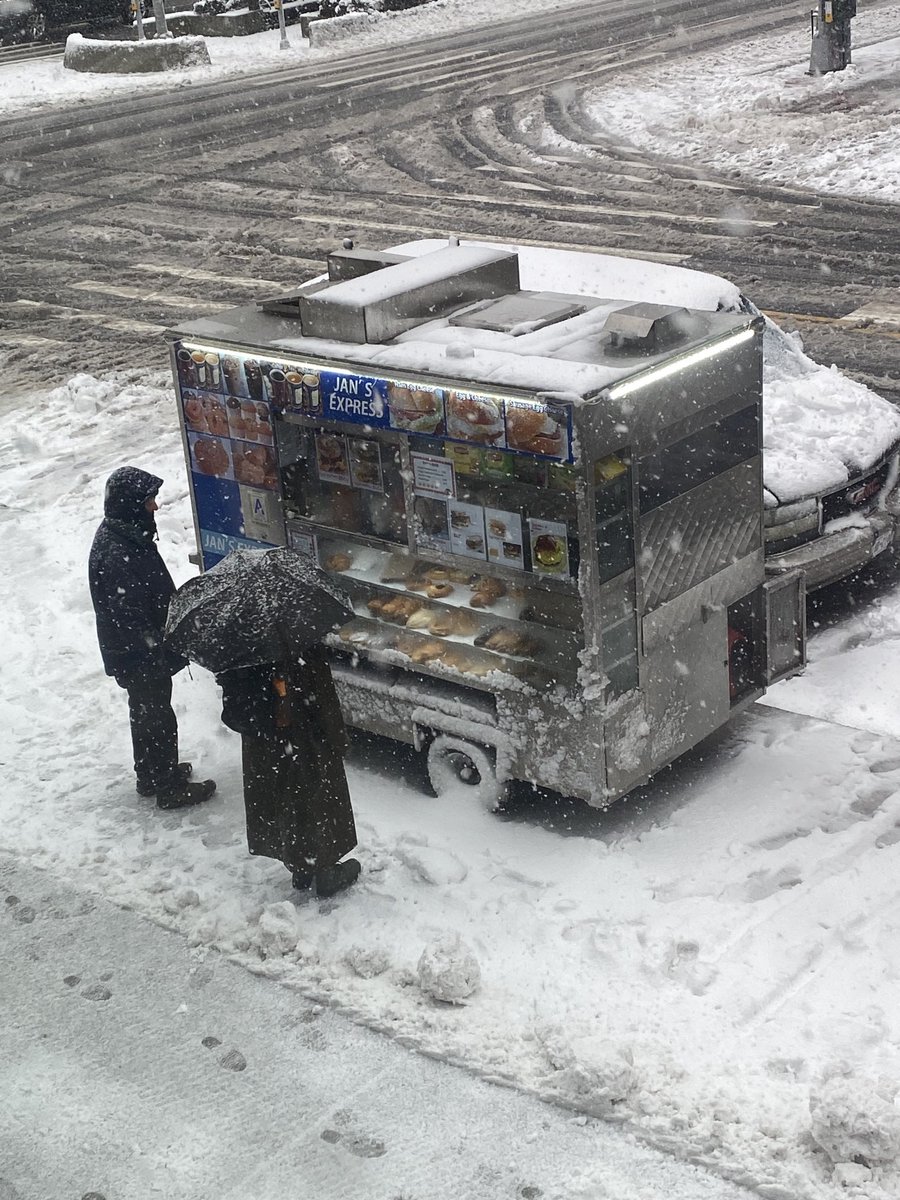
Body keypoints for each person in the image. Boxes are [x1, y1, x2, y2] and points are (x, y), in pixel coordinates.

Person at [88, 466, 216, 810]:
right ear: (132, 505)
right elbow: (127, 614)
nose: (155, 507)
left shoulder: (125, 535)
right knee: (155, 714)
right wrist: (156, 647)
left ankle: (151, 773)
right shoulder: (118, 550)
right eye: (149, 502)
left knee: (145, 710)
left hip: (135, 650)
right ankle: (167, 786)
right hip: (139, 652)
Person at [217, 647, 360, 898]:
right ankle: (325, 869)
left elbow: (233, 698)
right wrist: (337, 737)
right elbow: (320, 692)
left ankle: (300, 865)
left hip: (262, 732)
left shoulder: (237, 638)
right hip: (299, 723)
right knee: (314, 788)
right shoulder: (295, 634)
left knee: (282, 790)